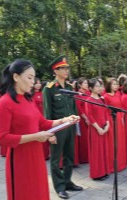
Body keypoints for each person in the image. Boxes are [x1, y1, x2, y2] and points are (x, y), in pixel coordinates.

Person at [0, 59, 79, 200]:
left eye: (34, 77)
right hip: (20, 160)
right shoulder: (5, 102)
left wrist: (64, 120)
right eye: (29, 77)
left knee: (38, 192)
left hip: (36, 156)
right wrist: (35, 137)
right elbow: (2, 138)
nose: (33, 81)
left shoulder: (28, 99)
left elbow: (43, 123)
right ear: (15, 77)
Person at [43, 55, 83, 199]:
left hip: (70, 127)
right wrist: (50, 133)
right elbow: (47, 113)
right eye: (63, 68)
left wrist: (76, 120)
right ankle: (59, 186)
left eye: (67, 68)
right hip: (57, 128)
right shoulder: (49, 89)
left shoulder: (69, 87)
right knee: (55, 159)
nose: (66, 70)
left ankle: (67, 182)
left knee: (69, 156)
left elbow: (73, 107)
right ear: (55, 71)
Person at [86, 78, 111, 180]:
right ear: (91, 88)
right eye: (96, 86)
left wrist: (108, 124)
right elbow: (90, 116)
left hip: (103, 126)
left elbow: (106, 112)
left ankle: (104, 171)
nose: (99, 88)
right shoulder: (88, 100)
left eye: (99, 86)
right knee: (97, 152)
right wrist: (98, 128)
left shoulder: (102, 99)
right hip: (95, 129)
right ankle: (97, 174)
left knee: (104, 149)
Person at [104, 78, 127, 172]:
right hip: (111, 119)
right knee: (113, 142)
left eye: (117, 84)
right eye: (114, 84)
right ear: (109, 85)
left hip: (119, 118)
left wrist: (122, 117)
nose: (116, 86)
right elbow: (105, 111)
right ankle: (112, 166)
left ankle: (121, 164)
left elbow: (121, 107)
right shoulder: (105, 96)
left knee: (120, 141)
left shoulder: (118, 94)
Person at [33, 77, 50, 160]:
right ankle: (40, 154)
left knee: (45, 134)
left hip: (44, 116)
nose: (38, 85)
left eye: (39, 83)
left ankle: (46, 154)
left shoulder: (42, 93)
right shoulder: (31, 95)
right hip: (36, 117)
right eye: (36, 83)